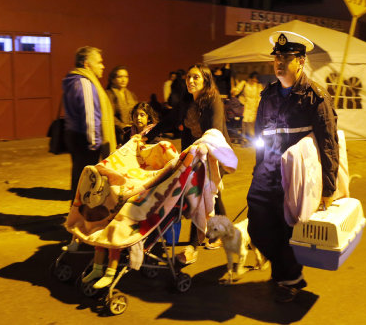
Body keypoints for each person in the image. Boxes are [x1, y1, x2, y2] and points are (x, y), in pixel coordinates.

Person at [247, 31, 339, 303]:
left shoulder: (316, 97)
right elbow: (261, 135)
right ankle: (286, 273)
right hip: (267, 173)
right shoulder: (269, 95)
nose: (279, 63)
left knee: (287, 230)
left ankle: (289, 279)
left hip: (296, 178)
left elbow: (329, 144)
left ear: (300, 61)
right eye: (277, 57)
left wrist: (328, 188)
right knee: (258, 227)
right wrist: (257, 169)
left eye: (286, 58)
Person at [146, 63, 231, 264]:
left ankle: (193, 245)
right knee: (214, 197)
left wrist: (203, 150)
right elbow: (168, 120)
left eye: (196, 78)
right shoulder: (186, 102)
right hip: (194, 155)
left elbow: (215, 130)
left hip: (214, 154)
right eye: (189, 78)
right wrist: (147, 136)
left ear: (206, 80)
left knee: (198, 195)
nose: (191, 81)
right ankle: (225, 231)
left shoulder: (213, 101)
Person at [81, 102, 160, 289]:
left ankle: (110, 270)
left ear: (149, 117)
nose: (138, 118)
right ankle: (98, 267)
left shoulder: (155, 136)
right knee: (101, 221)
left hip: (142, 186)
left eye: (142, 115)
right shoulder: (127, 135)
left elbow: (157, 164)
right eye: (136, 115)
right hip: (123, 182)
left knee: (114, 226)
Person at [62, 46, 116, 201]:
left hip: (76, 137)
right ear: (87, 64)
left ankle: (78, 214)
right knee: (86, 183)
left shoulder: (72, 81)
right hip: (86, 141)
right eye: (99, 62)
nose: (102, 66)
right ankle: (81, 218)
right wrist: (94, 144)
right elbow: (90, 116)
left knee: (80, 180)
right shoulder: (84, 82)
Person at [105, 65, 138, 147]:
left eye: (126, 77)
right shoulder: (108, 94)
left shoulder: (131, 94)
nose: (123, 80)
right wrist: (123, 126)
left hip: (133, 132)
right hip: (117, 133)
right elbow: (108, 115)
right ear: (113, 79)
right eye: (120, 77)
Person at [231, 71, 264, 145]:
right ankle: (244, 139)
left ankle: (252, 140)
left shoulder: (259, 86)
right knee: (244, 123)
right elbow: (236, 91)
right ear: (250, 78)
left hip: (254, 107)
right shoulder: (244, 83)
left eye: (256, 79)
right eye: (253, 79)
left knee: (252, 124)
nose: (254, 81)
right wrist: (234, 91)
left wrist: (259, 108)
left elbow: (260, 97)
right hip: (245, 106)